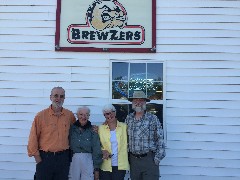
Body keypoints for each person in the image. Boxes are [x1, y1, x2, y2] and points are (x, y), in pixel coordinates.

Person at [27, 86, 76, 180]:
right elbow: (33, 137)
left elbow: (77, 132)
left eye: (62, 96)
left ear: (64, 98)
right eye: (56, 96)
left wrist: (92, 128)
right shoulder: (41, 116)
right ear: (50, 97)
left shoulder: (69, 115)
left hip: (63, 159)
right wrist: (38, 158)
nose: (59, 99)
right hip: (45, 159)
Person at [125, 90, 166, 180]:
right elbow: (125, 138)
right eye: (135, 100)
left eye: (141, 100)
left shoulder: (152, 118)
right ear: (132, 102)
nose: (138, 103)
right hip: (133, 161)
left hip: (149, 160)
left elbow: (160, 139)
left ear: (145, 102)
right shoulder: (129, 119)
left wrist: (157, 159)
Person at [69, 106, 103, 180]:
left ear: (89, 116)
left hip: (88, 159)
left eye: (86, 114)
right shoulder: (71, 129)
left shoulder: (93, 130)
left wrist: (96, 168)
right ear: (77, 115)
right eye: (81, 114)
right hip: (74, 159)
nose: (83, 117)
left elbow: (96, 149)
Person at [98, 104, 129, 180]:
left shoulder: (124, 127)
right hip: (105, 164)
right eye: (107, 113)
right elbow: (96, 145)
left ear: (115, 113)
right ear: (104, 115)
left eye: (112, 112)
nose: (110, 115)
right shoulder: (100, 129)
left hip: (120, 165)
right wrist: (102, 151)